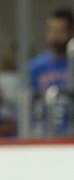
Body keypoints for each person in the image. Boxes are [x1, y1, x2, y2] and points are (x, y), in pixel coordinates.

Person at [29, 7, 74, 136]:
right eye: (51, 31)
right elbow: (28, 106)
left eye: (60, 32)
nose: (54, 37)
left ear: (71, 32)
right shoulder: (36, 67)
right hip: (44, 136)